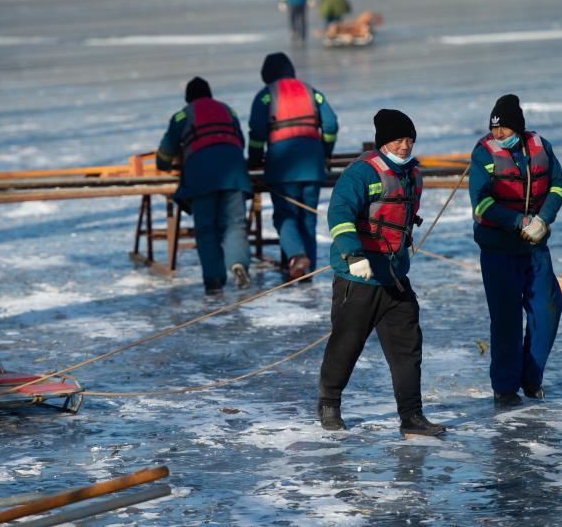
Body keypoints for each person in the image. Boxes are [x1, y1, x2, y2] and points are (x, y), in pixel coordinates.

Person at [317, 109, 445, 436]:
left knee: (407, 348)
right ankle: (329, 403)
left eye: (409, 140)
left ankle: (412, 417)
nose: (405, 146)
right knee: (346, 344)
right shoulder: (361, 174)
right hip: (358, 277)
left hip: (395, 277)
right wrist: (353, 254)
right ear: (383, 142)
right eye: (398, 140)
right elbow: (340, 214)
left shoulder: (411, 175)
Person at [469, 94, 562, 406]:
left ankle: (532, 378)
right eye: (494, 129)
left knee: (547, 312)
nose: (498, 135)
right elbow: (481, 203)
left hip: (535, 247)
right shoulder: (483, 153)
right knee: (506, 319)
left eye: (505, 130)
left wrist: (543, 219)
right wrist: (519, 221)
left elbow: (558, 184)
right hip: (498, 249)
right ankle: (505, 387)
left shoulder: (541, 146)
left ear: (519, 129)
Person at [156, 77, 253, 294]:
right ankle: (238, 264)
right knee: (235, 224)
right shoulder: (228, 110)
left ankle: (214, 280)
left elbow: (166, 150)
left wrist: (163, 164)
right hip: (234, 171)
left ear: (188, 98)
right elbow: (240, 140)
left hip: (201, 175)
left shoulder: (183, 115)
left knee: (206, 229)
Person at [248, 52, 338, 279]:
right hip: (313, 165)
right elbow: (331, 125)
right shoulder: (312, 92)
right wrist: (325, 152)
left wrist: (255, 158)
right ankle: (306, 274)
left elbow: (257, 132)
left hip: (282, 166)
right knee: (307, 219)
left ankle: (297, 257)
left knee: (284, 216)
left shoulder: (266, 96)